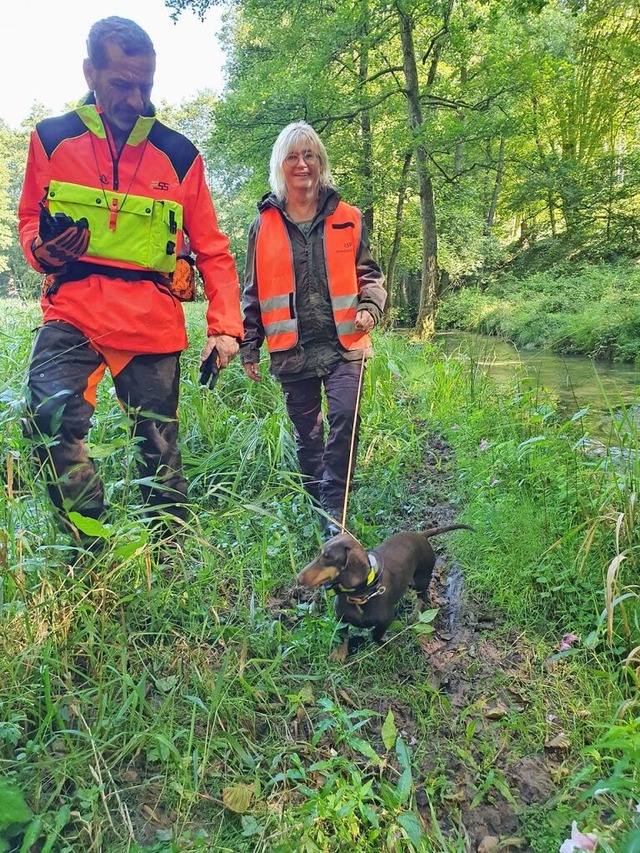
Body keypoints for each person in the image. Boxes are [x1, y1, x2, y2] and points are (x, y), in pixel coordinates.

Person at [18, 17, 242, 551]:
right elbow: (30, 218)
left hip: (151, 322)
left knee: (160, 452)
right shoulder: (51, 139)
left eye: (146, 84)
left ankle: (170, 557)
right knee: (47, 424)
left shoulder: (180, 154)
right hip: (72, 312)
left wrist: (226, 328)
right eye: (122, 83)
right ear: (90, 73)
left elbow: (212, 248)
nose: (137, 99)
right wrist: (39, 249)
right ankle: (91, 545)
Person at [240, 121, 387, 537]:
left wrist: (369, 307)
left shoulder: (349, 217)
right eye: (292, 156)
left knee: (344, 420)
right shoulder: (262, 226)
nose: (301, 164)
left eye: (309, 156)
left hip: (346, 344)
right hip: (293, 349)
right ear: (280, 165)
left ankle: (333, 515)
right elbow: (252, 291)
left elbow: (371, 275)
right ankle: (317, 502)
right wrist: (249, 346)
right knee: (309, 434)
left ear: (320, 163)